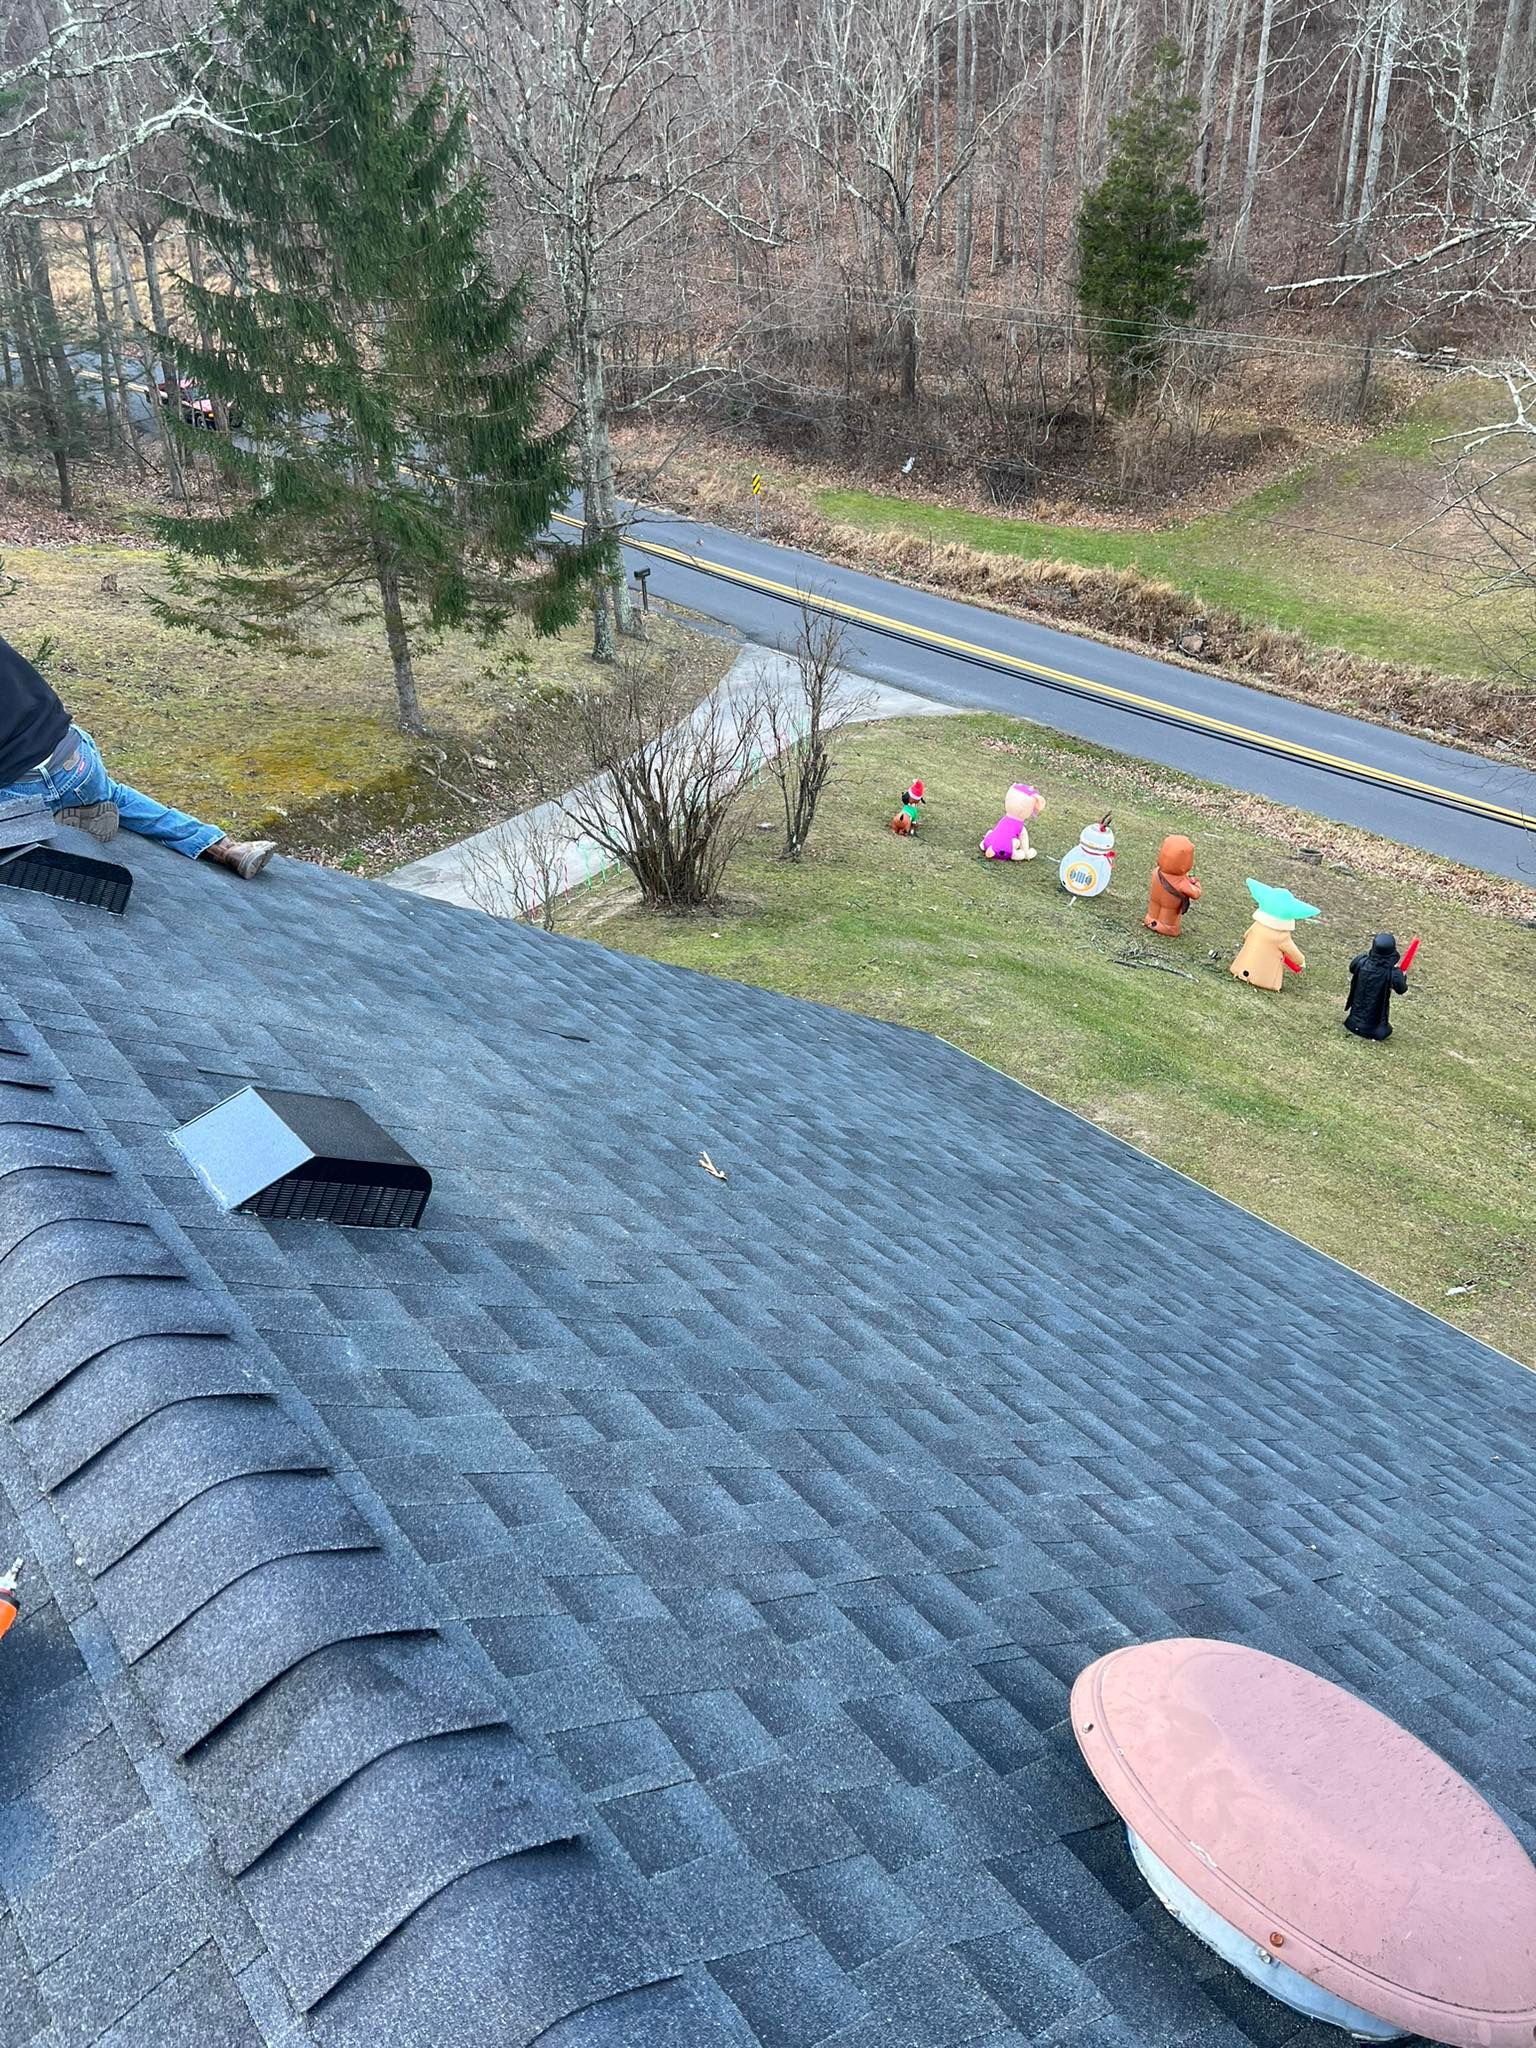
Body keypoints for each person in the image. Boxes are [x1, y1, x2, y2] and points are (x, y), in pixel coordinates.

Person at [0, 634, 276, 878]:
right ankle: (225, 848)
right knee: (115, 794)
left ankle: (53, 823)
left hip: (24, 794)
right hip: (79, 766)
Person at [1344, 931, 1408, 1040]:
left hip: (1351, 1022)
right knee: (1386, 1030)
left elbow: (1352, 967)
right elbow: (1401, 989)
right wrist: (1402, 976)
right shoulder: (1393, 973)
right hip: (1373, 1030)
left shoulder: (1361, 961)